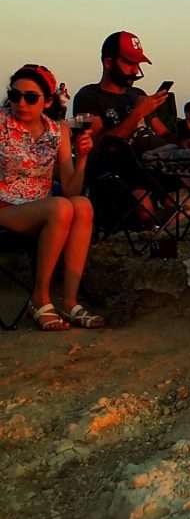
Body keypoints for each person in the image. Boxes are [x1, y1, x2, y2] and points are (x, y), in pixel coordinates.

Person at [0, 64, 105, 330]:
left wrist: (82, 159)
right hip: (5, 207)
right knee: (60, 207)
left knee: (81, 205)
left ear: (47, 101)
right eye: (15, 95)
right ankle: (40, 298)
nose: (21, 103)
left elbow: (71, 189)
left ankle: (69, 301)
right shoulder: (2, 124)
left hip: (42, 207)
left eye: (30, 97)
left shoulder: (58, 131)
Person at [72, 31, 174, 220]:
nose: (135, 70)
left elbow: (163, 132)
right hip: (121, 169)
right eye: (129, 63)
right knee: (145, 210)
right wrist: (136, 114)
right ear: (108, 62)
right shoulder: (87, 96)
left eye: (137, 64)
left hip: (159, 163)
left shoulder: (138, 93)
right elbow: (96, 147)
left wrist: (184, 142)